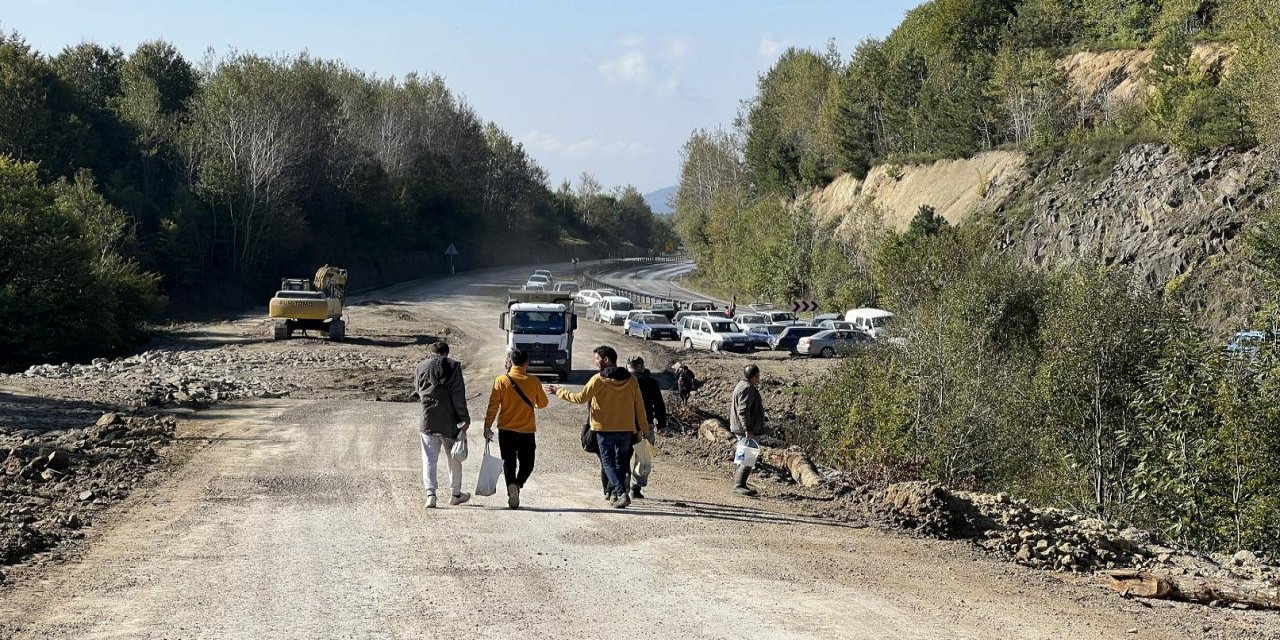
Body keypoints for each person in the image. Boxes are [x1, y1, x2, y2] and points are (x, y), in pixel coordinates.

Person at [547, 345, 647, 509]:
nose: (595, 362)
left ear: (606, 359)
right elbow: (639, 406)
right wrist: (643, 428)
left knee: (608, 463)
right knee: (621, 463)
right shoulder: (631, 380)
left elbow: (579, 398)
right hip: (626, 429)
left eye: (597, 359)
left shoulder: (598, 380)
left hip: (603, 429)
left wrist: (559, 391)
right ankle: (615, 494)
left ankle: (621, 493)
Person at [483, 349, 549, 510]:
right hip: (527, 431)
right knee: (528, 464)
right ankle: (518, 485)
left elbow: (493, 405)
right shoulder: (533, 381)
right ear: (527, 363)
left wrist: (487, 426)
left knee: (509, 463)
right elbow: (543, 403)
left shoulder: (502, 380)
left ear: (511, 362)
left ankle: (511, 485)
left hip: (506, 430)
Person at [414, 342, 470, 508]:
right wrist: (464, 418)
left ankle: (431, 494)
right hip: (450, 421)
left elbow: (417, 389)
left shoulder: (420, 366)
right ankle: (455, 494)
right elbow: (458, 396)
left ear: (432, 352)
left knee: (429, 459)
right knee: (453, 458)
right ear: (447, 352)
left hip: (428, 419)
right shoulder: (454, 366)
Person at [626, 356, 666, 499]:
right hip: (645, 425)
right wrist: (661, 423)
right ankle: (635, 487)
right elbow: (659, 404)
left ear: (627, 367)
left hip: (623, 425)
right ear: (642, 366)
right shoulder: (650, 382)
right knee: (643, 458)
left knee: (623, 456)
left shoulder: (622, 381)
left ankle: (622, 485)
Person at [729, 364, 766, 497]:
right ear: (754, 376)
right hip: (745, 429)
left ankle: (740, 483)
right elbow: (743, 411)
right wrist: (748, 429)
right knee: (748, 456)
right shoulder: (747, 388)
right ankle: (739, 485)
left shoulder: (741, 385)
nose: (759, 378)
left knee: (743, 456)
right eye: (758, 375)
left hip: (740, 427)